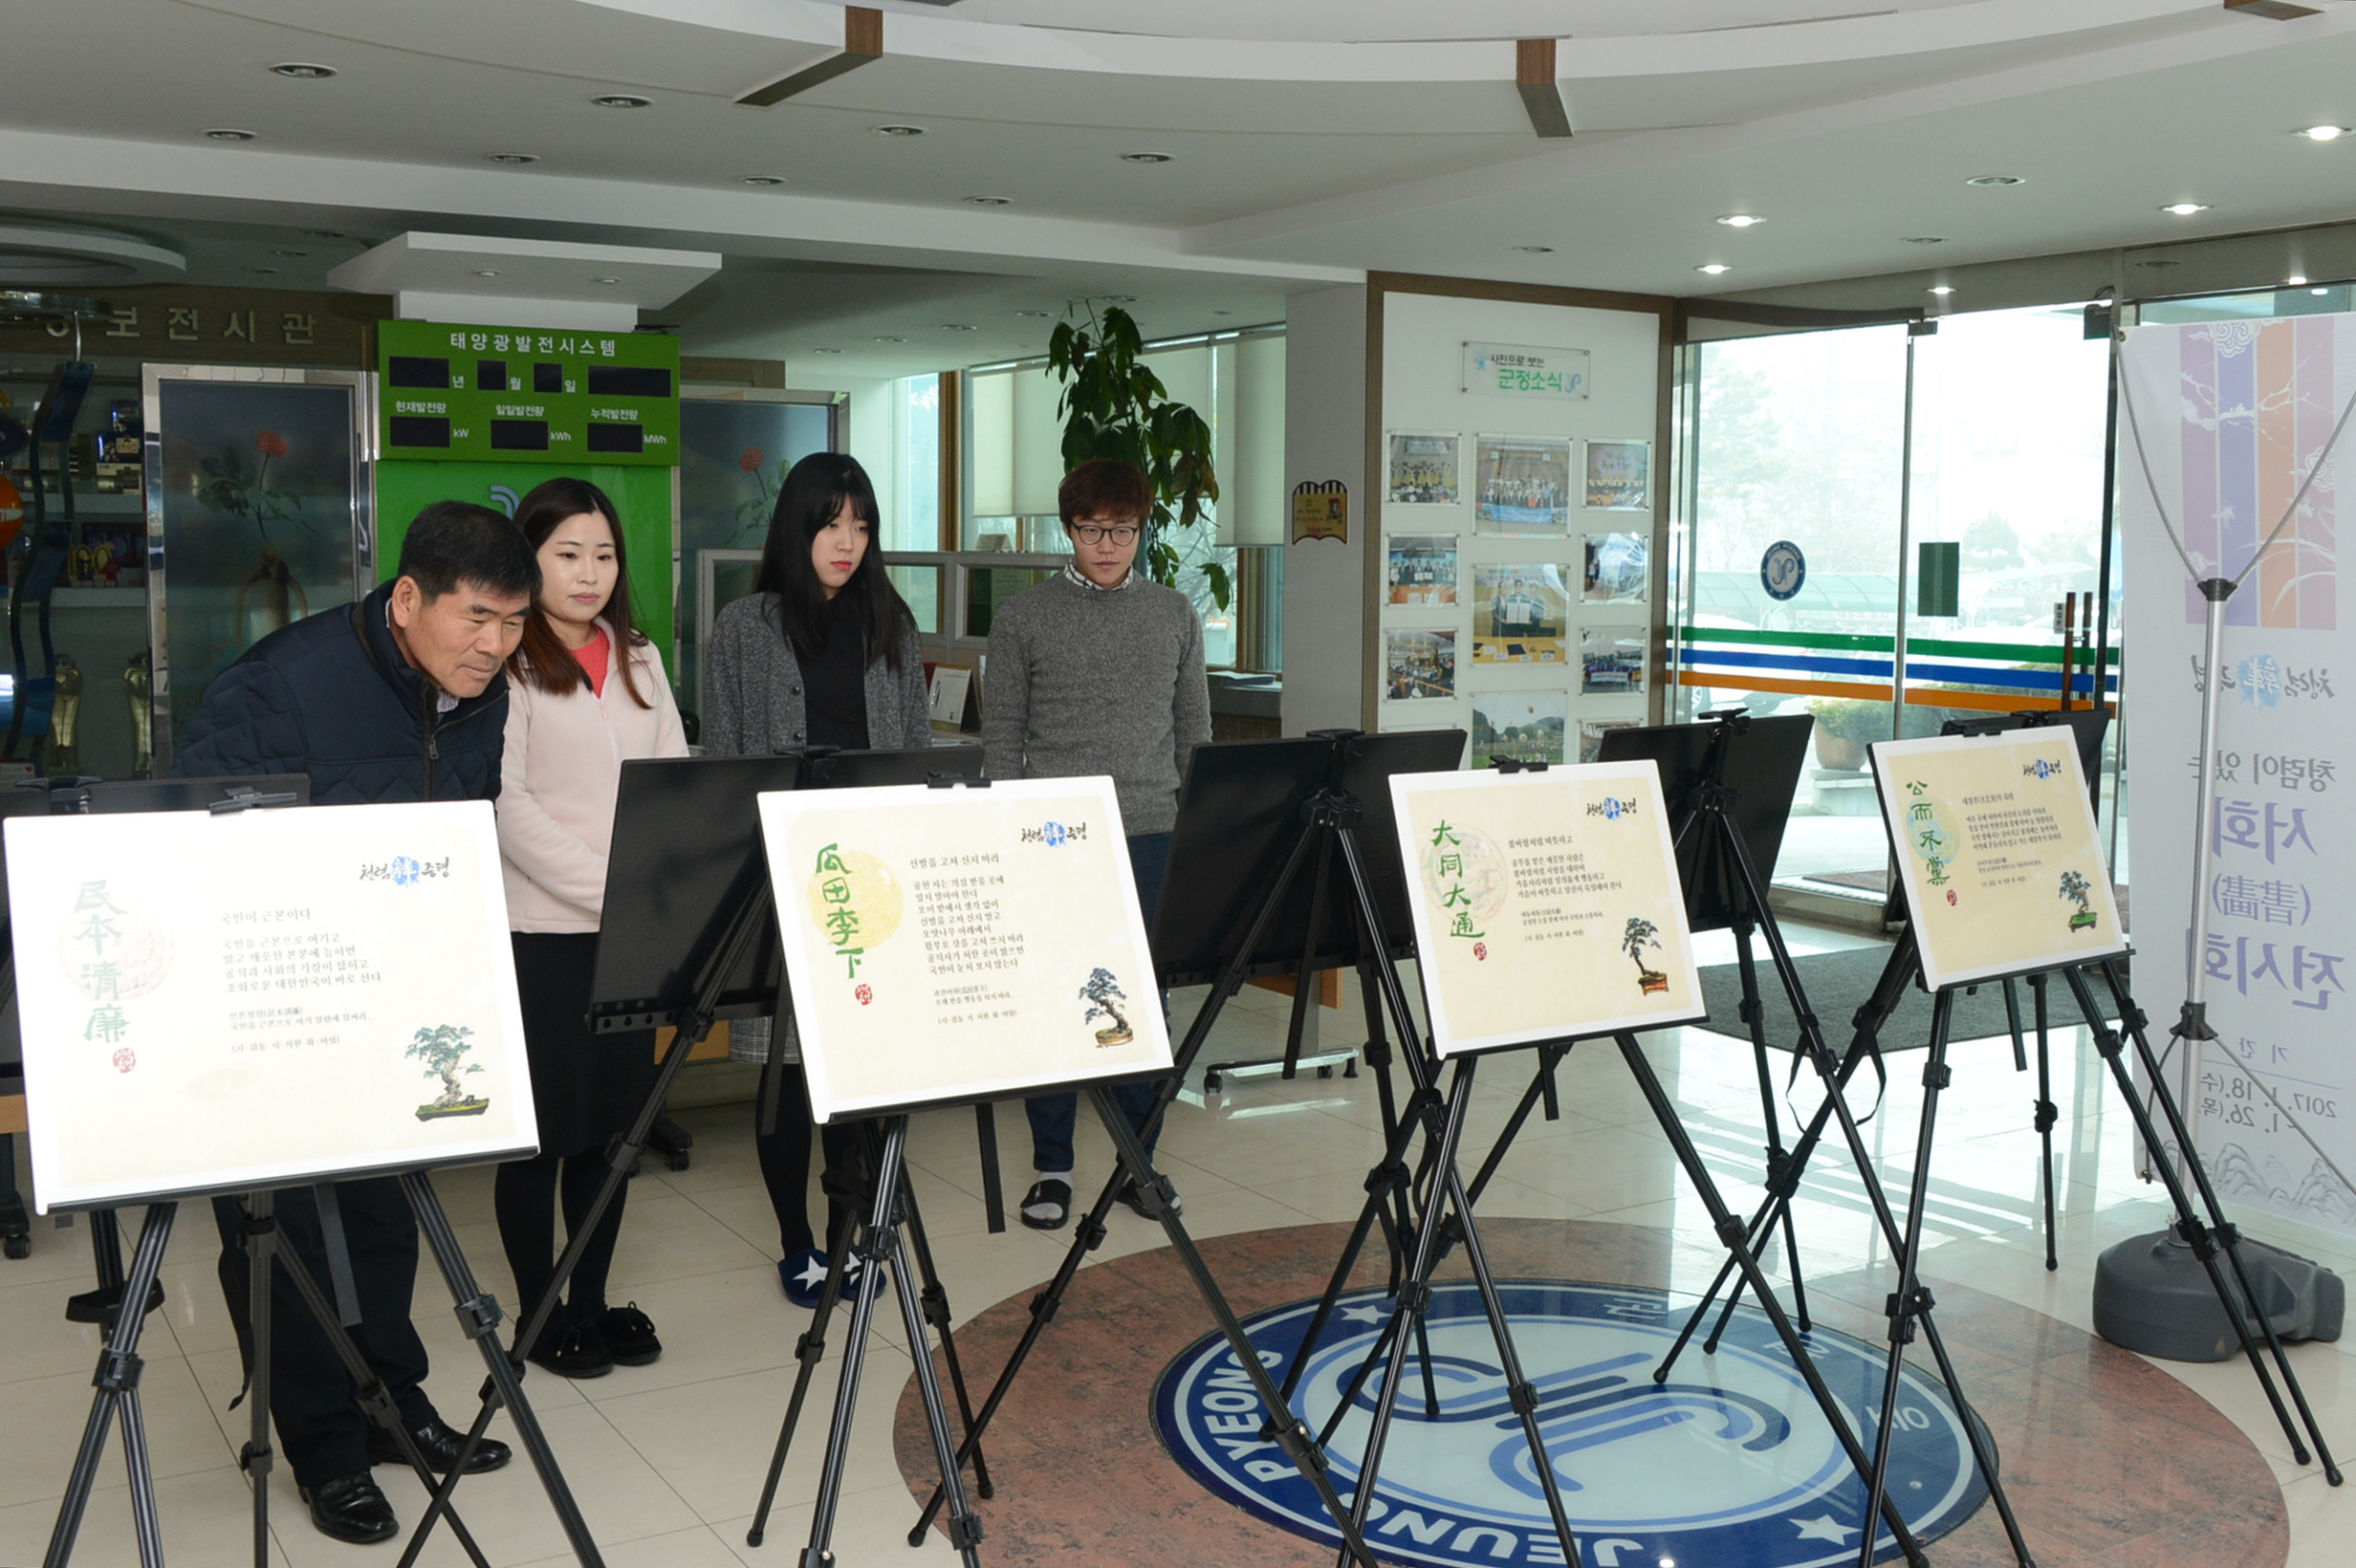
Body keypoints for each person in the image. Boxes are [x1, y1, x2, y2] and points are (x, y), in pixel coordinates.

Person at [175, 502, 535, 1544]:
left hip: (393, 999)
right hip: (279, 998)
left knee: (383, 1212)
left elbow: (466, 829)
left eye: (514, 622)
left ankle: (391, 1400)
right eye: (477, 618)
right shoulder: (279, 685)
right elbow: (200, 846)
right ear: (408, 597)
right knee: (283, 1233)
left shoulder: (482, 692)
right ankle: (324, 1445)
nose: (495, 645)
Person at [703, 451, 928, 1308]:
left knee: (861, 1071)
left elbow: (914, 753)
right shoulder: (745, 626)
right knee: (788, 1073)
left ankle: (849, 1240)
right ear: (796, 528)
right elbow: (725, 757)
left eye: (861, 526)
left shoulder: (891, 625)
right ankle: (797, 1243)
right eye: (831, 524)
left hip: (872, 882)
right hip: (780, 881)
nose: (847, 542)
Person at [981, 458, 1210, 1230]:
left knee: (1145, 1003)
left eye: (1122, 531)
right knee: (1056, 998)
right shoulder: (1024, 617)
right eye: (1090, 530)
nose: (1106, 546)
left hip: (1151, 832)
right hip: (1052, 836)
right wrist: (1007, 835)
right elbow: (1002, 735)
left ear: (1143, 530)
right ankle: (1053, 1167)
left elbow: (1194, 732)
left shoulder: (1174, 613)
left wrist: (1197, 830)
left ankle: (1140, 1164)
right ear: (1067, 529)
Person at [491, 477, 687, 1377]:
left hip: (630, 941)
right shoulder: (509, 660)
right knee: (547, 1135)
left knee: (613, 1137)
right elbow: (509, 807)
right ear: (528, 558)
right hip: (543, 935)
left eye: (604, 554)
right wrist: (617, 890)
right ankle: (537, 1313)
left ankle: (590, 1301)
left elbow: (673, 781)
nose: (589, 573)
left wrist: (657, 888)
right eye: (567, 553)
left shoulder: (639, 655)